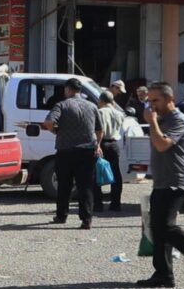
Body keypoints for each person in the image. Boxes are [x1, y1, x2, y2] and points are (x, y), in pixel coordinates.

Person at [135, 82, 184, 287]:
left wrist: (151, 122)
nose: (151, 105)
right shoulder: (161, 118)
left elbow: (161, 145)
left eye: (155, 100)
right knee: (158, 229)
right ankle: (163, 275)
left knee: (165, 226)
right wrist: (152, 118)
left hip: (175, 181)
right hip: (162, 181)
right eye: (149, 101)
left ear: (170, 99)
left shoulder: (179, 120)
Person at [43, 78, 102, 230]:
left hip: (66, 151)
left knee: (64, 185)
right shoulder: (92, 106)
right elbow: (100, 130)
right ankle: (86, 219)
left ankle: (61, 215)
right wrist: (98, 145)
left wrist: (55, 131)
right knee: (86, 186)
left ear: (68, 90)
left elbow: (49, 122)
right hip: (87, 151)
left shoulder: (62, 105)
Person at [92, 91, 124, 212]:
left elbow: (98, 130)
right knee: (116, 173)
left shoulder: (100, 112)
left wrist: (97, 145)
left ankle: (98, 203)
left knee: (97, 172)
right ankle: (116, 203)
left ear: (101, 100)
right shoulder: (119, 113)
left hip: (102, 143)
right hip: (114, 143)